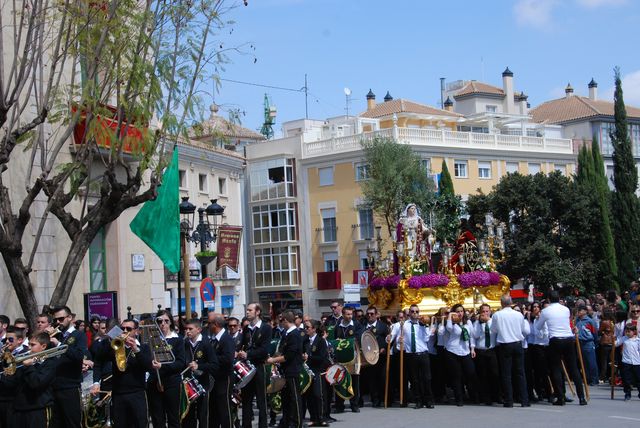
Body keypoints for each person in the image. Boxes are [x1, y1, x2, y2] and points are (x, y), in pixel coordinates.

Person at [95, 318, 153, 427]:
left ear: (136, 331)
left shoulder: (143, 347)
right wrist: (110, 340)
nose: (125, 331)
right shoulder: (116, 347)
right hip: (118, 394)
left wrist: (135, 349)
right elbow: (99, 358)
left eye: (129, 328)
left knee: (139, 424)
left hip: (137, 393)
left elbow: (148, 366)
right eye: (122, 328)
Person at [537, 291, 587, 406]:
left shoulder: (545, 311)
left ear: (549, 299)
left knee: (556, 369)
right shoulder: (565, 309)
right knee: (574, 368)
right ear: (559, 298)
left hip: (555, 339)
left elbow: (538, 326)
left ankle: (560, 397)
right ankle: (582, 397)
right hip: (568, 338)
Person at [48, 305, 88, 428]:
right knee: (55, 423)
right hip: (54, 385)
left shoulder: (79, 335)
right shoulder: (57, 335)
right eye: (55, 320)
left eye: (61, 319)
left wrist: (59, 344)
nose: (58, 322)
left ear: (69, 317)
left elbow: (78, 356)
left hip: (70, 386)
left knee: (72, 422)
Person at [7, 332, 58, 428]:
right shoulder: (24, 361)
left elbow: (36, 383)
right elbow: (13, 382)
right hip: (19, 408)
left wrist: (29, 366)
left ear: (43, 346)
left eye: (33, 345)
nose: (29, 348)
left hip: (38, 409)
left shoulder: (50, 363)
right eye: (29, 344)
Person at [147, 310, 186, 428]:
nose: (163, 324)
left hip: (172, 382)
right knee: (157, 418)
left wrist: (163, 366)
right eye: (159, 321)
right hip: (155, 382)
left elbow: (180, 362)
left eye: (166, 321)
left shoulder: (177, 339)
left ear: (170, 323)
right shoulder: (151, 339)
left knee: (173, 417)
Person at [490, 295, 530, 407]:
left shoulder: (497, 315)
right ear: (511, 302)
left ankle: (509, 400)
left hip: (505, 344)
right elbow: (523, 329)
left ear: (501, 303)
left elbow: (493, 329)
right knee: (520, 373)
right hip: (517, 343)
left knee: (506, 374)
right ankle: (524, 400)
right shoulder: (518, 315)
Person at [393, 304, 434, 409]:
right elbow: (398, 338)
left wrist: (425, 326)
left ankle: (428, 400)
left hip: (423, 354)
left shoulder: (423, 324)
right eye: (412, 311)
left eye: (416, 312)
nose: (415, 314)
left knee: (427, 378)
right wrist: (399, 340)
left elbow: (426, 339)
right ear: (409, 313)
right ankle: (418, 400)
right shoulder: (404, 324)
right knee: (415, 379)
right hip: (411, 355)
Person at [238, 303, 272, 428]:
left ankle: (263, 425)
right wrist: (239, 352)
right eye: (247, 310)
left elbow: (264, 350)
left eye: (250, 310)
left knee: (261, 400)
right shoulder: (246, 329)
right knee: (246, 399)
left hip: (259, 366)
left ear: (257, 312)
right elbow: (242, 345)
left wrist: (248, 354)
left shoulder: (266, 328)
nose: (247, 312)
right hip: (247, 367)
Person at [266, 310, 302, 428]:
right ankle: (286, 421)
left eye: (281, 320)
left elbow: (289, 355)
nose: (280, 323)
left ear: (286, 320)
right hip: (285, 370)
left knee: (294, 398)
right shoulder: (286, 334)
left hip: (292, 370)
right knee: (286, 398)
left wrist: (273, 360)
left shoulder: (294, 334)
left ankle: (297, 423)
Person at [183, 318, 219, 428]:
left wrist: (199, 366)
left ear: (198, 329)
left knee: (203, 415)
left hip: (203, 384)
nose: (187, 331)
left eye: (190, 329)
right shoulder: (185, 343)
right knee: (188, 416)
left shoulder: (206, 344)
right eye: (186, 329)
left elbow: (214, 365)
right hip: (188, 385)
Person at [445, 304, 477, 406]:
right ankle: (459, 398)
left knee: (470, 372)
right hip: (453, 351)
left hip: (465, 351)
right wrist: (450, 315)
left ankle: (473, 396)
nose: (460, 313)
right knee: (456, 375)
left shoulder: (467, 323)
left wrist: (472, 348)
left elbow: (471, 336)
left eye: (461, 311)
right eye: (457, 311)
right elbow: (449, 328)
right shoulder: (452, 324)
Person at [333, 306, 363, 413]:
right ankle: (339, 405)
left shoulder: (356, 325)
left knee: (354, 382)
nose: (350, 316)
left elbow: (359, 338)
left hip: (353, 358)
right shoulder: (338, 326)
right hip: (341, 358)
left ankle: (354, 405)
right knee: (340, 380)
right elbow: (335, 340)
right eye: (347, 314)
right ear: (343, 314)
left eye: (351, 314)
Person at [208, 312, 235, 428]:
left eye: (209, 323)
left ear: (215, 324)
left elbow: (228, 358)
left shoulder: (226, 338)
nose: (207, 326)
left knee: (224, 409)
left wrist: (211, 359)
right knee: (214, 410)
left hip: (224, 378)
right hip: (214, 379)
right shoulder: (213, 339)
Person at [472, 304, 501, 406]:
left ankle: (496, 396)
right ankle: (485, 397)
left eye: (487, 311)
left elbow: (496, 331)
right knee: (483, 375)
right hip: (481, 350)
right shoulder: (477, 323)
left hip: (492, 350)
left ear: (490, 312)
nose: (485, 313)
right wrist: (480, 324)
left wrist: (488, 321)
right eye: (483, 311)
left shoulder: (493, 321)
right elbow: (474, 335)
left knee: (494, 374)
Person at [303, 320, 330, 427]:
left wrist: (309, 357)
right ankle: (313, 418)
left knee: (318, 395)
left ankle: (322, 418)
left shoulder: (320, 341)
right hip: (306, 371)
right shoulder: (304, 340)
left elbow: (322, 358)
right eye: (305, 327)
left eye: (308, 327)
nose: (306, 329)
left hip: (317, 370)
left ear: (314, 329)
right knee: (309, 396)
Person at [362, 306, 389, 408]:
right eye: (368, 314)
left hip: (380, 356)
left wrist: (384, 348)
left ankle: (383, 398)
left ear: (376, 314)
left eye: (372, 314)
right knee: (371, 379)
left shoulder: (383, 326)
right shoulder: (363, 326)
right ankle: (375, 399)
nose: (370, 316)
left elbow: (388, 340)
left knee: (382, 378)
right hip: (368, 357)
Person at [575, 305, 599, 386]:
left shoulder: (590, 321)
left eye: (580, 310)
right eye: (577, 310)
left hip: (588, 343)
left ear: (585, 311)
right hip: (579, 343)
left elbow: (594, 332)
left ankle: (594, 379)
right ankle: (587, 378)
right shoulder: (577, 320)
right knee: (583, 362)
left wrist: (595, 342)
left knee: (591, 362)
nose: (578, 312)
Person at [619, 324, 640, 400]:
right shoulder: (624, 339)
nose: (627, 333)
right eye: (626, 331)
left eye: (629, 331)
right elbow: (616, 343)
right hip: (626, 361)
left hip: (637, 362)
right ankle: (627, 393)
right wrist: (613, 340)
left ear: (634, 332)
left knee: (638, 379)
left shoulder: (638, 340)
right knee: (626, 379)